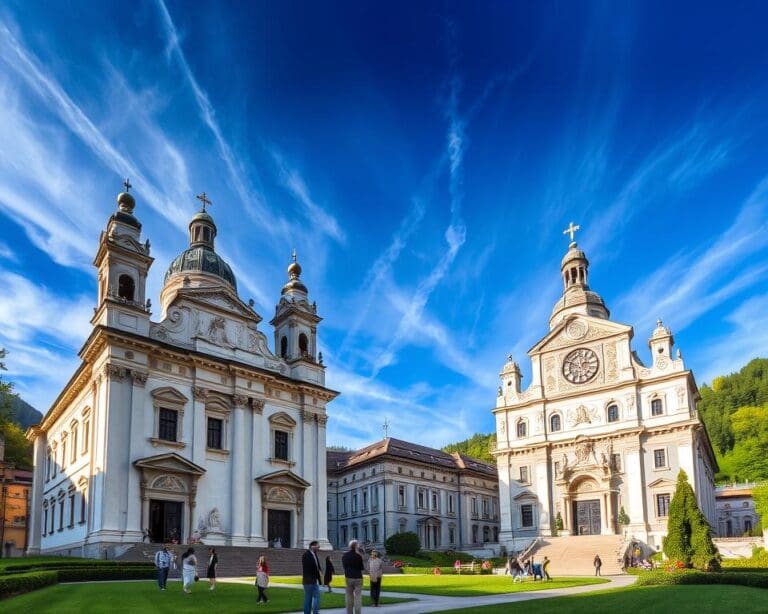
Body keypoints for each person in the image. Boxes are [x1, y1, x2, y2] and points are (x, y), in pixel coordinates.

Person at [342, 539, 364, 614]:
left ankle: (349, 612)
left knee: (349, 596)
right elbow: (361, 568)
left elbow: (344, 566)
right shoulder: (358, 556)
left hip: (348, 577)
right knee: (358, 596)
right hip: (358, 577)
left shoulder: (345, 555)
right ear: (356, 547)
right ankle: (358, 612)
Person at [301, 540, 323, 614]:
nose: (319, 546)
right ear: (312, 546)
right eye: (317, 545)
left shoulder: (314, 554)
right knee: (314, 597)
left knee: (309, 598)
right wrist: (318, 573)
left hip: (312, 580)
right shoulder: (306, 555)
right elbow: (311, 568)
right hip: (309, 580)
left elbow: (317, 566)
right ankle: (314, 612)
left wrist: (319, 573)